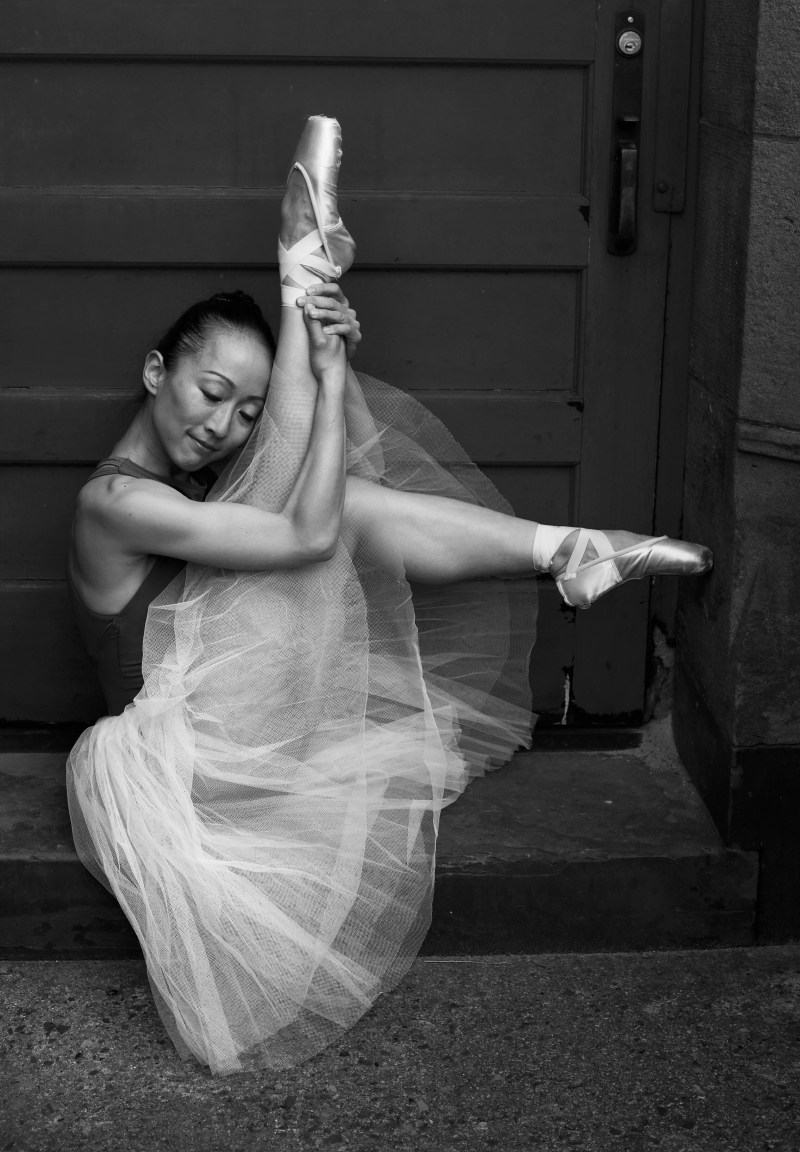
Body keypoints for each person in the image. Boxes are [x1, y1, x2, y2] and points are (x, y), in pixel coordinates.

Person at [66, 116, 712, 1075]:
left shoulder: (203, 489)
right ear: (157, 371)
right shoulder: (113, 504)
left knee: (334, 490)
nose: (223, 423)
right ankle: (305, 271)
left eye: (246, 410)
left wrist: (330, 365)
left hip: (253, 733)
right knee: (324, 509)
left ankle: (568, 544)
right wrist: (322, 379)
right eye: (210, 390)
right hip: (191, 766)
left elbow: (337, 486)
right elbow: (308, 535)